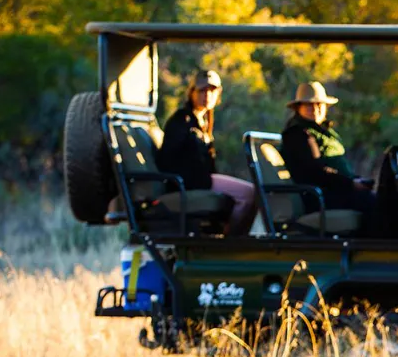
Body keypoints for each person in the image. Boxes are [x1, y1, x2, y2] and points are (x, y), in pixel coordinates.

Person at [155, 69, 259, 234]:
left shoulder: (202, 122)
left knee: (252, 193)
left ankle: (227, 235)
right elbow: (168, 159)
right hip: (191, 183)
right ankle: (231, 245)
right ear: (191, 92)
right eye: (202, 90)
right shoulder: (181, 120)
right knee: (249, 194)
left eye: (212, 90)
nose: (207, 95)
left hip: (202, 180)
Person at [279, 82, 383, 233]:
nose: (315, 109)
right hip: (318, 195)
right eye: (309, 105)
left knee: (378, 197)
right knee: (372, 202)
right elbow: (316, 172)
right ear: (298, 108)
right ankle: (376, 249)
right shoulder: (298, 134)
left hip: (334, 190)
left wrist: (355, 180)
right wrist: (350, 184)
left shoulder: (323, 131)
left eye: (319, 105)